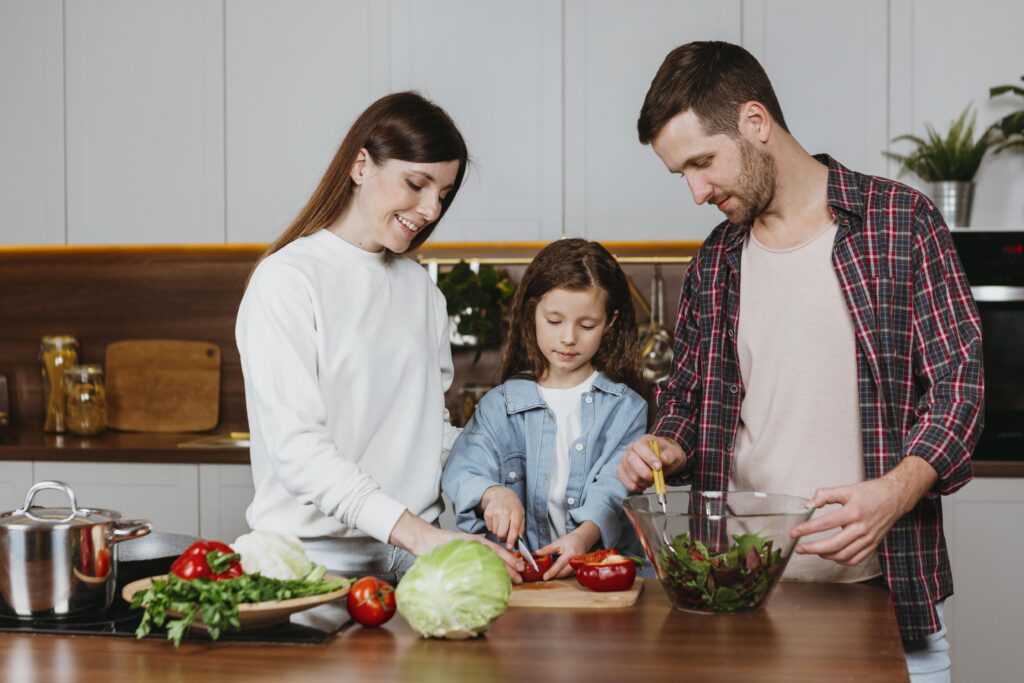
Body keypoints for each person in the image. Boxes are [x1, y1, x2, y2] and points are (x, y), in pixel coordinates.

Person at [616, 42, 982, 681]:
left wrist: (894, 493)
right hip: (744, 598)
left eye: (702, 163)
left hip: (887, 595)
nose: (697, 192)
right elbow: (686, 399)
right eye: (682, 175)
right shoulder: (715, 262)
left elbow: (960, 387)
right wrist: (667, 444)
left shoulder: (899, 222)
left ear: (756, 123)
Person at [236, 91, 521, 585]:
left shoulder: (422, 291)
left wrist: (486, 485)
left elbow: (426, 434)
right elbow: (299, 451)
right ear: (361, 165)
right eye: (417, 183)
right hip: (310, 566)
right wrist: (419, 535)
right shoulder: (287, 280)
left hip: (415, 561)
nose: (431, 209)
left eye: (444, 193)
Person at [442, 239, 647, 580]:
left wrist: (583, 536)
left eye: (586, 325)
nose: (568, 337)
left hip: (604, 577)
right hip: (519, 579)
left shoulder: (626, 408)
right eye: (554, 320)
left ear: (610, 323)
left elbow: (613, 489)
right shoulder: (499, 406)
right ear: (531, 313)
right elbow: (463, 469)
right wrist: (494, 494)